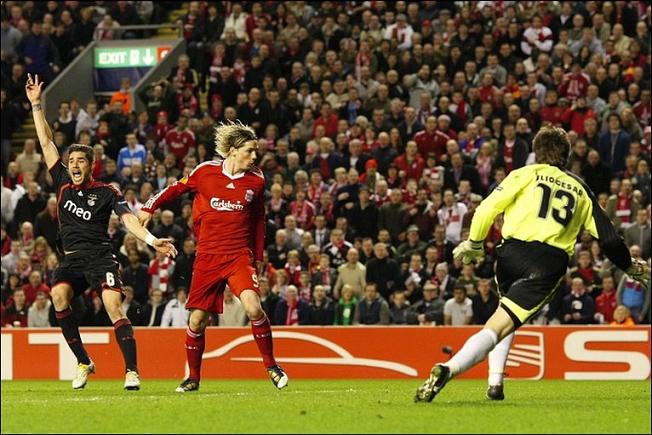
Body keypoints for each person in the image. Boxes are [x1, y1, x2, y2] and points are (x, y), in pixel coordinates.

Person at [415, 126, 650, 403]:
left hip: (509, 255)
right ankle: (449, 368)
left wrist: (475, 242)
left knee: (504, 314)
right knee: (499, 325)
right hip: (547, 262)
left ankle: (495, 383)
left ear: (537, 153)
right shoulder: (579, 188)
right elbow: (609, 239)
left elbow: (487, 208)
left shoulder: (523, 174)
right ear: (566, 155)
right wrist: (629, 266)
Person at [26, 74, 177, 391]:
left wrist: (152, 241)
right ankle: (83, 361)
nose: (74, 165)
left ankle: (131, 371)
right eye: (71, 160)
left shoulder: (107, 191)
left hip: (100, 258)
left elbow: (129, 220)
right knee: (58, 297)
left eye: (81, 161)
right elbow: (46, 143)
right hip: (71, 259)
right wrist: (37, 105)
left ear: (91, 165)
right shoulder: (62, 183)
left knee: (113, 306)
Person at [138, 120, 288, 392]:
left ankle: (271, 366)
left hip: (238, 256)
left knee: (254, 307)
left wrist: (258, 256)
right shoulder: (205, 171)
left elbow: (259, 220)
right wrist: (150, 207)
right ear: (232, 151)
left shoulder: (256, 180)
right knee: (197, 321)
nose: (254, 156)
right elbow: (174, 188)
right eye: (250, 151)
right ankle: (193, 378)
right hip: (207, 256)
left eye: (256, 151)